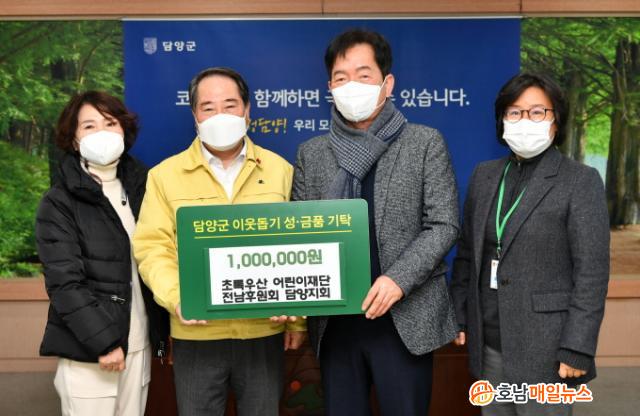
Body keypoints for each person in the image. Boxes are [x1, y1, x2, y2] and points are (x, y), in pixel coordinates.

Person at [292, 29, 460, 415]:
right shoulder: (311, 154)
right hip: (336, 323)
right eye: (341, 77)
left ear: (388, 83)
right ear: (329, 88)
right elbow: (300, 234)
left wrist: (397, 279)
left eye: (363, 75)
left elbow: (444, 224)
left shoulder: (424, 143)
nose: (352, 85)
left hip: (404, 318)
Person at [132, 67, 306, 416]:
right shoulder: (164, 176)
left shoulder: (280, 170)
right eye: (208, 107)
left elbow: (299, 246)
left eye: (230, 105)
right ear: (194, 115)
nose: (220, 115)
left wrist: (297, 320)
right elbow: (152, 248)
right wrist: (178, 298)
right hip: (196, 332)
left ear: (247, 110)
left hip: (263, 330)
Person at [450, 72, 610, 415]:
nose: (525, 121)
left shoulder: (580, 181)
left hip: (547, 348)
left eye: (538, 112)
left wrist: (577, 347)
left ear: (556, 120)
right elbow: (467, 254)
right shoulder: (484, 175)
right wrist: (460, 315)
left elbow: (592, 274)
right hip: (490, 343)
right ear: (502, 120)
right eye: (515, 112)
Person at [35, 91, 169, 416]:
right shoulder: (59, 202)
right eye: (89, 126)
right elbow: (65, 284)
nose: (102, 133)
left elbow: (160, 259)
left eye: (110, 123)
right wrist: (105, 342)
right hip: (91, 352)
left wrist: (162, 335)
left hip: (139, 344)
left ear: (124, 129)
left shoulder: (145, 187)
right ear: (74, 139)